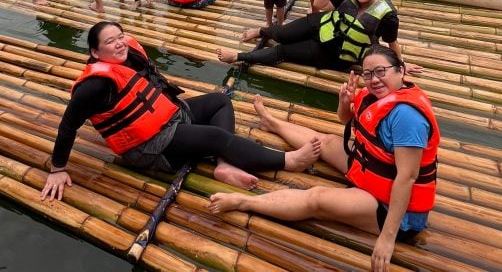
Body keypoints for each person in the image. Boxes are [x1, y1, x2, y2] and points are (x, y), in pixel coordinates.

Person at [209, 45, 440, 272]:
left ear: (400, 70)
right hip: (369, 168)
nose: (374, 79)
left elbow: (407, 177)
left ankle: (243, 202)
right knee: (327, 141)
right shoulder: (376, 93)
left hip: (393, 208)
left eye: (381, 71)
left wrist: (387, 238)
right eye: (368, 74)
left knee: (317, 199)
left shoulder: (407, 117)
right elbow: (345, 119)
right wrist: (345, 102)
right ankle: (273, 124)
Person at [40, 22, 321, 201]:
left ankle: (223, 165)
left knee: (220, 101)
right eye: (110, 42)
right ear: (95, 52)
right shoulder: (94, 85)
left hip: (172, 116)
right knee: (213, 136)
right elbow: (67, 127)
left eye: (120, 36)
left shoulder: (130, 54)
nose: (119, 43)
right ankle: (287, 161)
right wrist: (58, 169)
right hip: (149, 145)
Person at [217, 0, 423, 75]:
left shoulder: (387, 16)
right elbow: (319, 5)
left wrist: (401, 65)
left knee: (283, 51)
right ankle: (261, 31)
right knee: (282, 33)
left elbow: (392, 43)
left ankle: (237, 56)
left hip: (336, 53)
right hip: (322, 25)